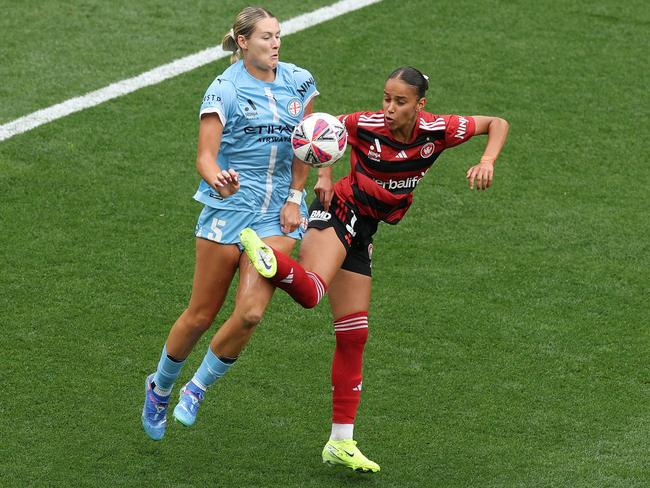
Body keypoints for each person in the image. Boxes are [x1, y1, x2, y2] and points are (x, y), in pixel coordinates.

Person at [240, 66, 509, 473]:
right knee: (311, 292)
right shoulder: (366, 123)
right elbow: (322, 129)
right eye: (386, 97)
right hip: (338, 211)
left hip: (365, 229)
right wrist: (326, 174)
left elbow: (497, 123)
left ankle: (340, 442)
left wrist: (486, 160)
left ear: (420, 105)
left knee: (354, 335)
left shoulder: (438, 131)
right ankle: (270, 260)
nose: (388, 108)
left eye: (399, 102)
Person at [141, 6, 319, 441]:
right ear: (243, 42)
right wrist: (217, 179)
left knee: (252, 313)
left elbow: (310, 145)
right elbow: (205, 156)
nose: (275, 44)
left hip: (278, 213)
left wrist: (297, 197)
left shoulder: (300, 81)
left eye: (278, 36)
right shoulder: (224, 90)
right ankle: (160, 387)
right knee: (201, 315)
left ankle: (196, 389)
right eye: (265, 38)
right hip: (229, 208)